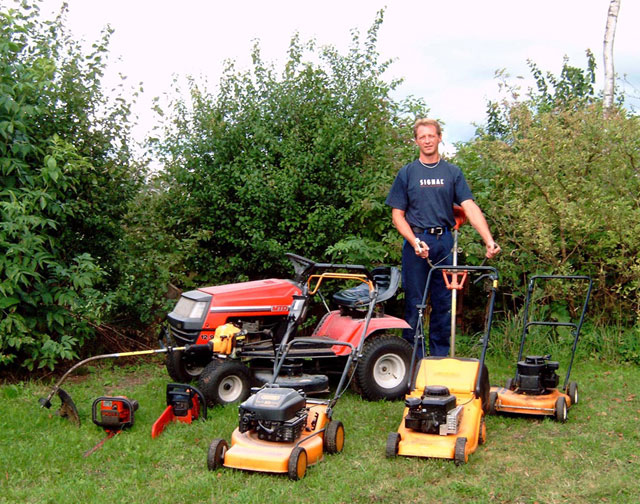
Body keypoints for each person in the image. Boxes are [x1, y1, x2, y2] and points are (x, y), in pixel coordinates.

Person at [385, 118, 500, 357]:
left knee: (444, 305)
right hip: (416, 243)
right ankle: (414, 360)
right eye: (422, 137)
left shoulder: (452, 172)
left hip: (444, 244)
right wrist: (414, 241)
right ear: (416, 141)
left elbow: (469, 207)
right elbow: (397, 216)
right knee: (415, 304)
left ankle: (438, 359)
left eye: (431, 136)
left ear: (439, 137)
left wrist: (488, 239)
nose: (427, 140)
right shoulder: (407, 173)